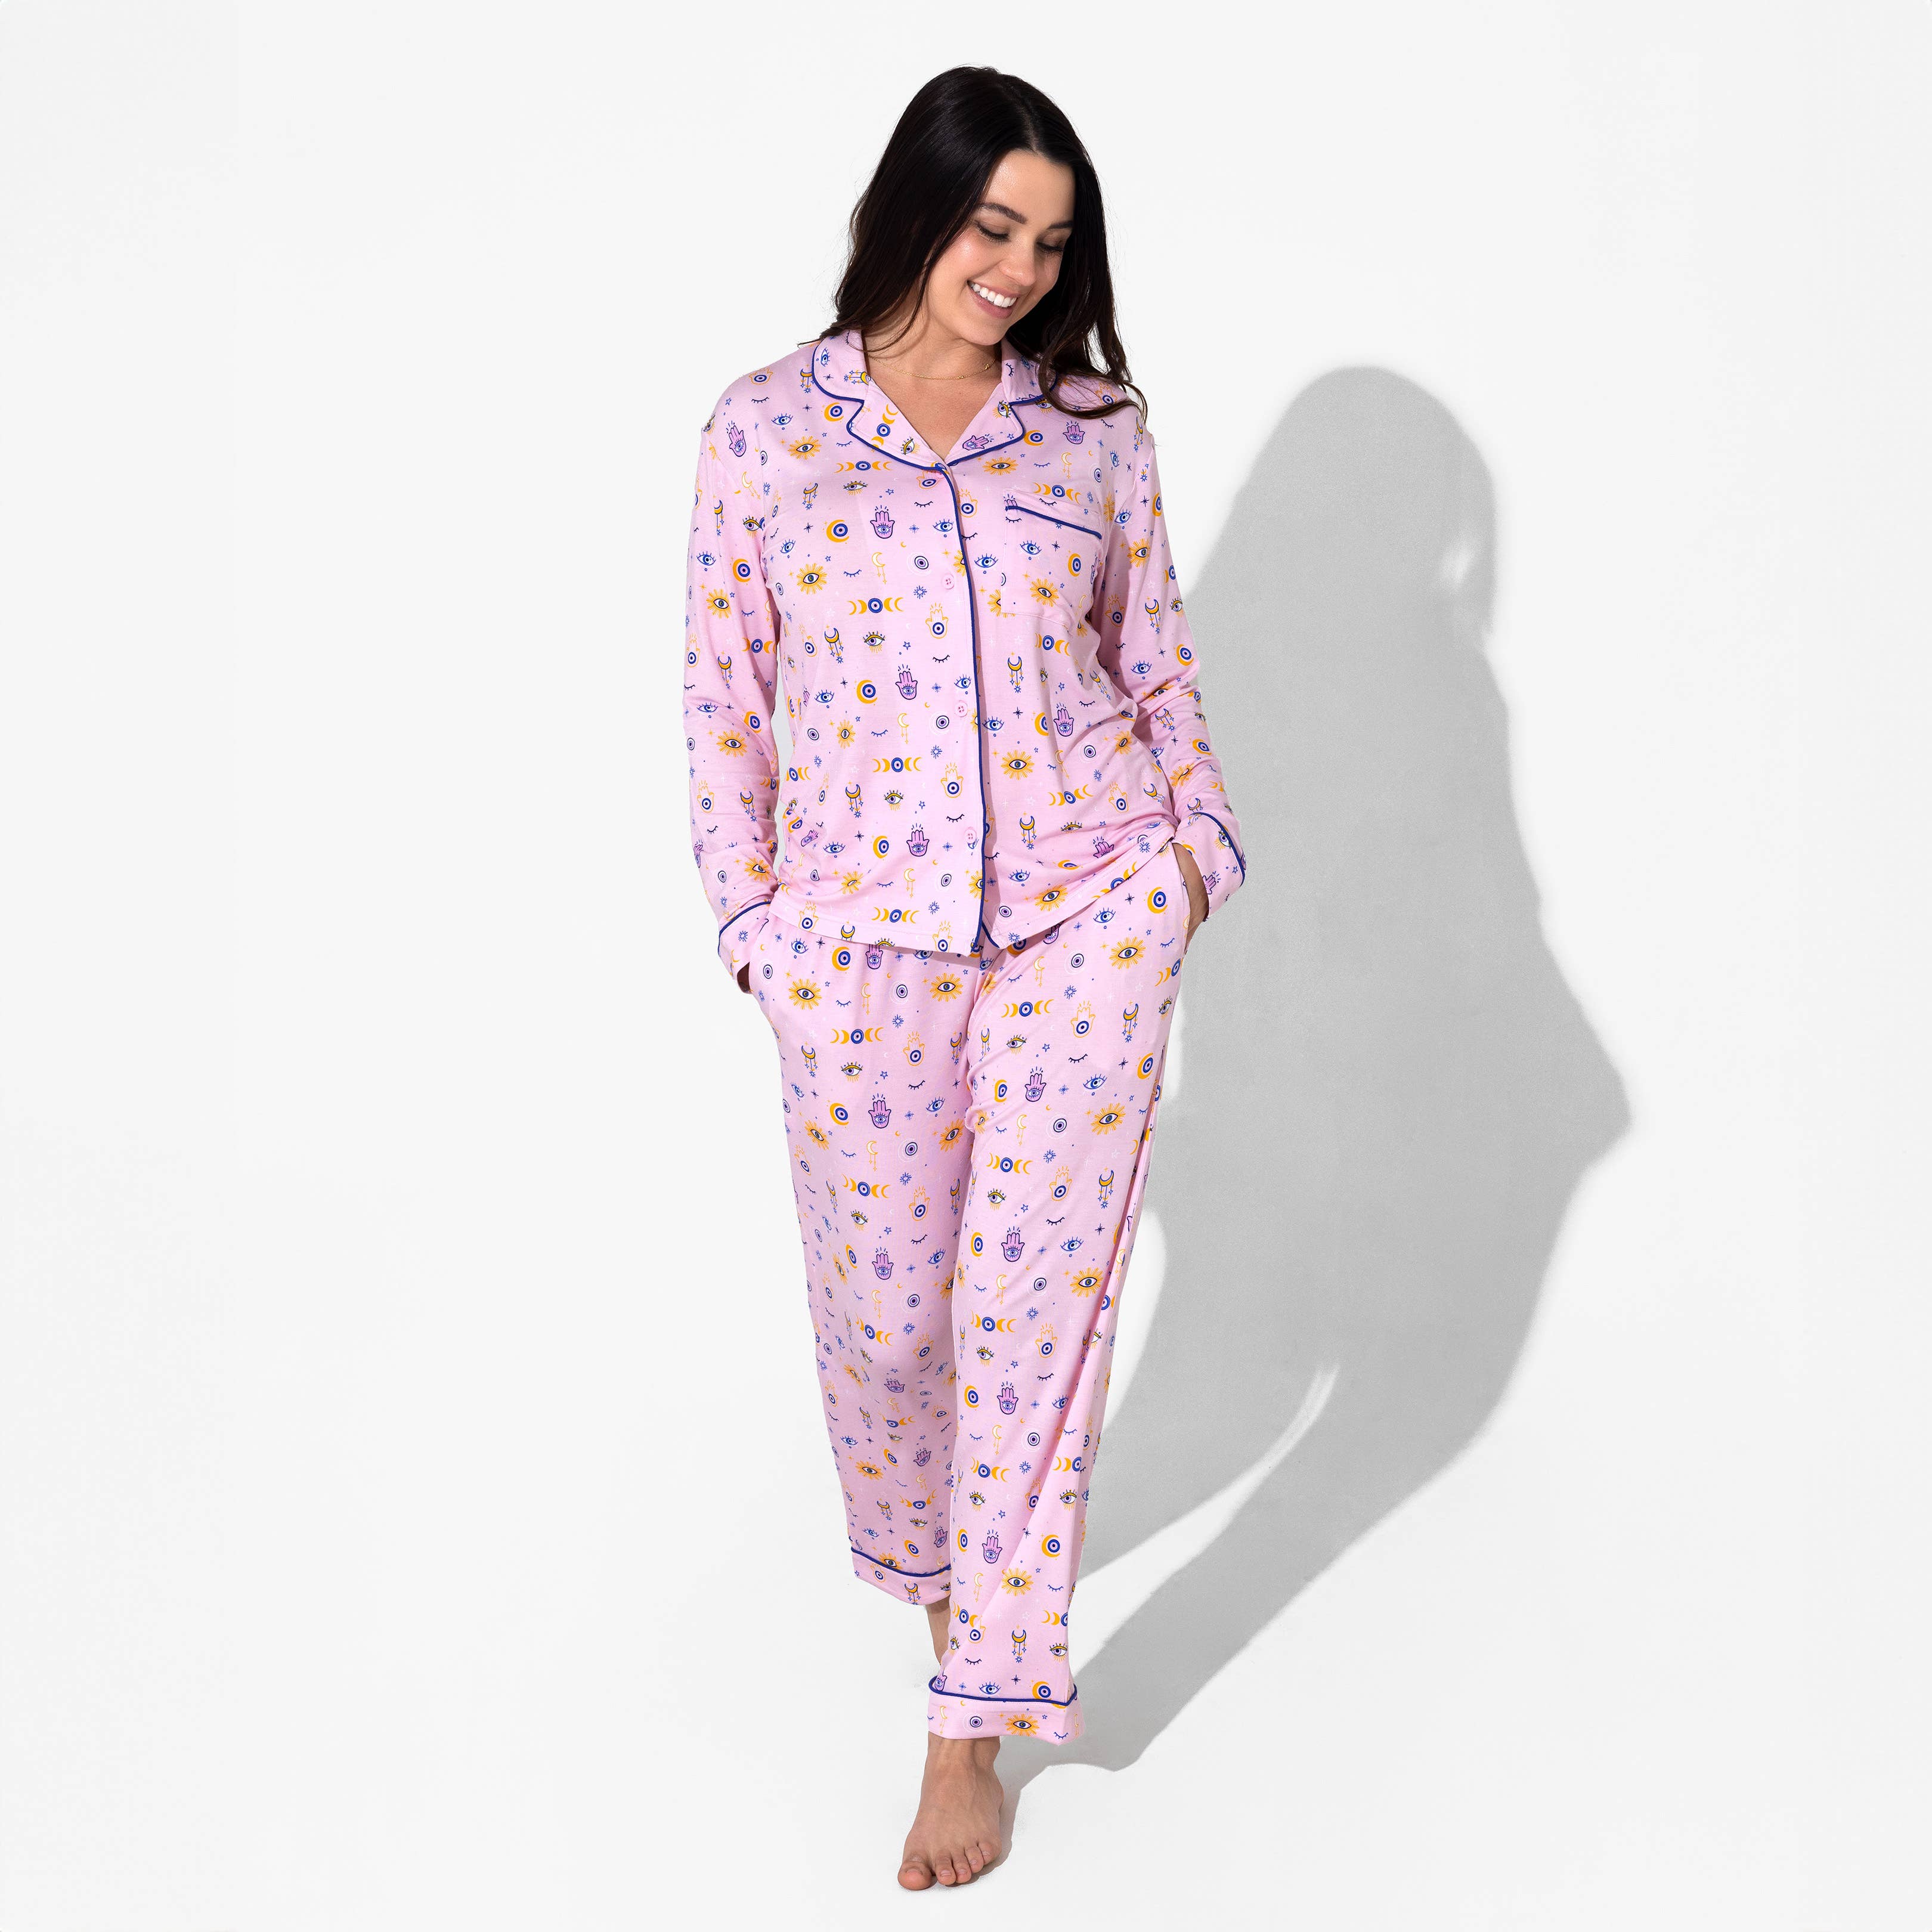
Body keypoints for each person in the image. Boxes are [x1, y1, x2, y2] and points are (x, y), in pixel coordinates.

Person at [680, 65, 1247, 1890]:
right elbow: (722, 701)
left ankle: (970, 1723)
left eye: (1053, 242)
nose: (1019, 268)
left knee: (1027, 1315)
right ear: (915, 209)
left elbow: (1155, 662)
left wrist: (1190, 856)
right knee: (891, 1320)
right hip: (857, 942)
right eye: (995, 225)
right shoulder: (767, 431)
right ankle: (949, 1588)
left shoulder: (1092, 434)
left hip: (1088, 913)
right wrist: (756, 931)